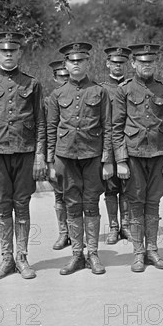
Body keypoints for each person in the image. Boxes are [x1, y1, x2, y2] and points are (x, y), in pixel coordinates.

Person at [0, 31, 46, 280]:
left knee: (22, 204)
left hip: (25, 153)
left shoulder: (32, 84)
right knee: (3, 204)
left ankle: (22, 258)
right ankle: (7, 259)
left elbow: (41, 123)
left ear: (19, 53)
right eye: (3, 51)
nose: (8, 55)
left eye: (12, 51)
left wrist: (39, 156)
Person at [47, 42, 113, 275]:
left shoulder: (99, 91)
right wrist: (50, 162)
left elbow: (108, 127)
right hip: (65, 156)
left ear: (87, 63)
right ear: (65, 65)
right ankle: (76, 255)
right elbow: (51, 128)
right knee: (71, 203)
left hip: (92, 156)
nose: (76, 64)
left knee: (91, 201)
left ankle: (93, 254)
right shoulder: (57, 94)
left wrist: (107, 160)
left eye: (81, 61)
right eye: (72, 61)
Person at [112, 43, 163, 273]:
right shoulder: (124, 90)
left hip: (158, 155)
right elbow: (116, 127)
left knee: (154, 202)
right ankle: (138, 253)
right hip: (133, 156)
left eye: (150, 62)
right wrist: (120, 160)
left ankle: (153, 250)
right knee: (136, 203)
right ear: (133, 64)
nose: (146, 66)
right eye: (142, 62)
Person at [101, 46, 132, 244]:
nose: (118, 66)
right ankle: (113, 227)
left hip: (128, 143)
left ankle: (126, 226)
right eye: (114, 63)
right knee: (111, 187)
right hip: (108, 145)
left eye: (121, 63)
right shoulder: (101, 88)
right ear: (108, 64)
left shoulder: (131, 87)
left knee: (128, 186)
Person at [45, 60, 71, 250]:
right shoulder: (48, 101)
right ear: (55, 78)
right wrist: (47, 158)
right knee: (59, 195)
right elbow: (45, 129)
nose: (65, 80)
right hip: (55, 153)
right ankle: (63, 233)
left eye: (67, 76)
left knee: (78, 195)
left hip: (75, 152)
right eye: (61, 77)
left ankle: (78, 234)